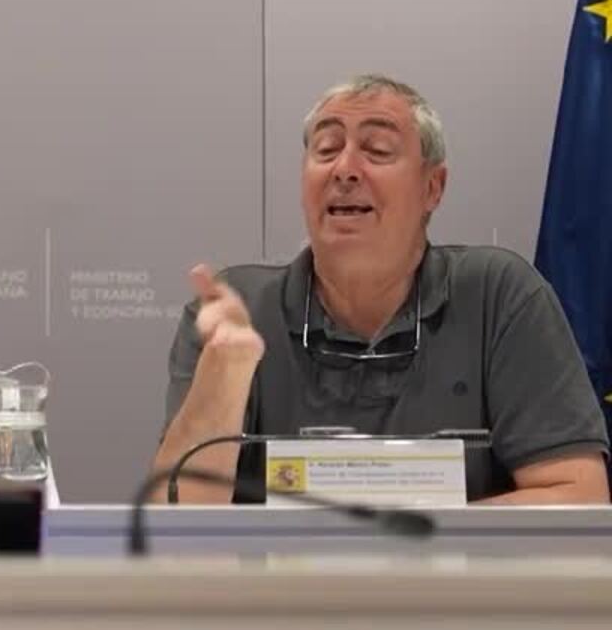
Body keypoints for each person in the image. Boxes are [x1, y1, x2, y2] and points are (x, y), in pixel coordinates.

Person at [155, 74, 608, 504]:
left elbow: (578, 496)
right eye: (326, 149)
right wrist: (226, 374)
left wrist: (405, 532)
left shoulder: (499, 295)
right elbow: (175, 518)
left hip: (453, 566)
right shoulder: (238, 309)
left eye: (377, 150)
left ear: (433, 187)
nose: (344, 169)